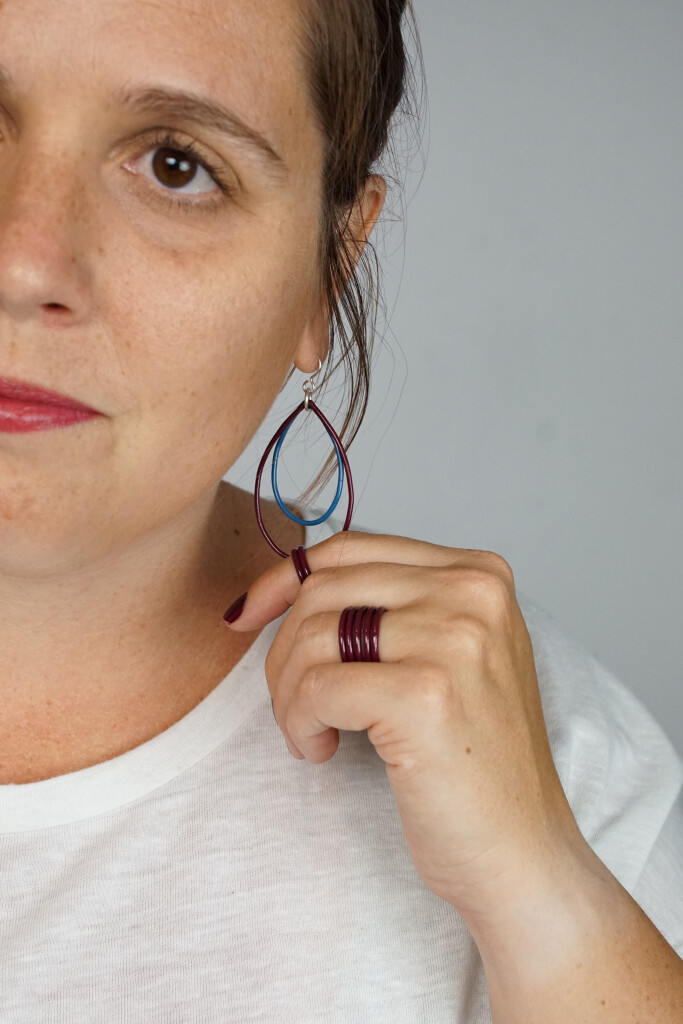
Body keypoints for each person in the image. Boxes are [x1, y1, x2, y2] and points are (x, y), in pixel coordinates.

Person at [0, 0, 680, 1020]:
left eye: (177, 164)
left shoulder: (530, 752)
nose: (24, 261)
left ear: (329, 268)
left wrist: (549, 906)